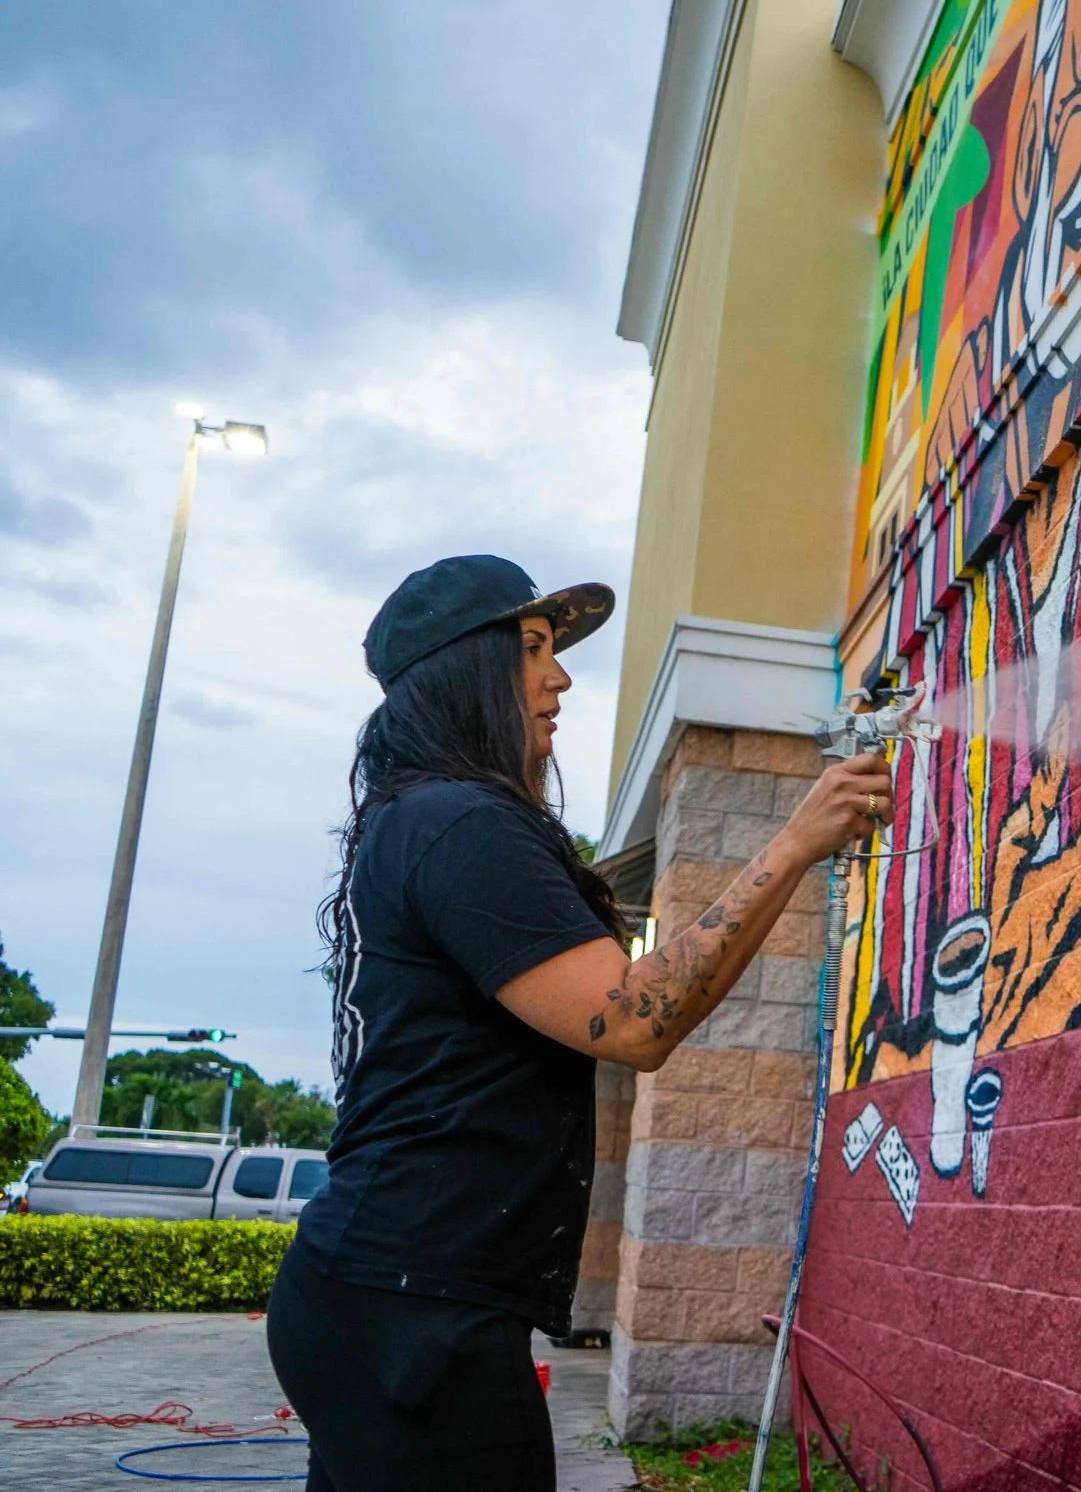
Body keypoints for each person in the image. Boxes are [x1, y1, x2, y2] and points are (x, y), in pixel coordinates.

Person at [266, 555, 891, 1490]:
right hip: (413, 1309)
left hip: (390, 1296)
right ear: (463, 669)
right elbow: (633, 1020)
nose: (557, 676)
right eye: (531, 649)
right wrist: (796, 839)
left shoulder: (419, 819)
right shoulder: (460, 825)